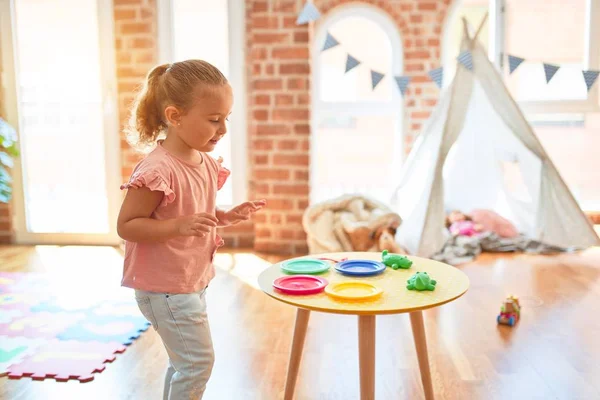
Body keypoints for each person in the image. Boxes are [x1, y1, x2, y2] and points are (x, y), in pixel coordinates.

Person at [117, 60, 266, 399]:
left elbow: (191, 209)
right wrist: (179, 226)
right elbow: (127, 226)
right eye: (214, 120)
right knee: (197, 363)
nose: (223, 129)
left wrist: (224, 215)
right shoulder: (157, 170)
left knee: (185, 361)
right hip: (164, 288)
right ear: (175, 116)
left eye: (226, 118)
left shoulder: (203, 161)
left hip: (187, 280)